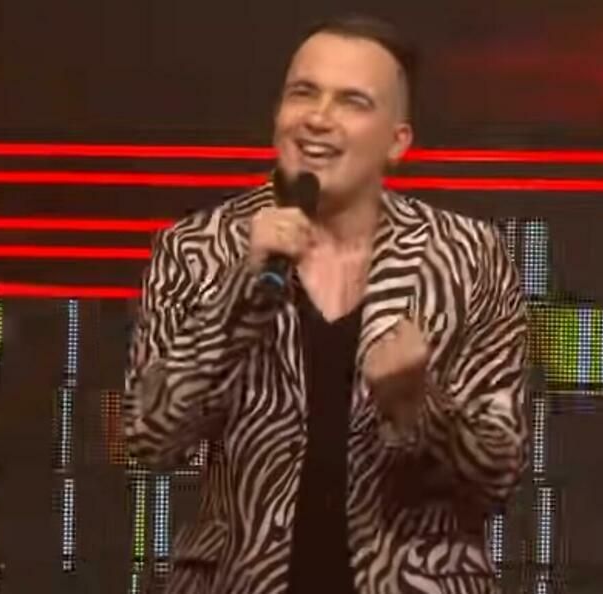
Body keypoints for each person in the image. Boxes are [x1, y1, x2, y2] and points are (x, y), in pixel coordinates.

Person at [124, 15, 529, 594]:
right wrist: (241, 292)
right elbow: (148, 437)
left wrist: (418, 406)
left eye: (352, 102)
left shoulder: (468, 256)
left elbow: (498, 476)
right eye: (303, 93)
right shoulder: (196, 248)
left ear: (397, 142)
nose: (317, 118)